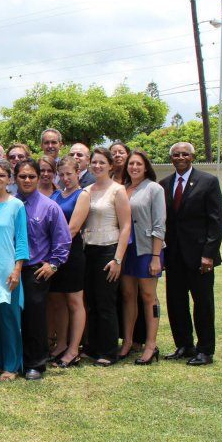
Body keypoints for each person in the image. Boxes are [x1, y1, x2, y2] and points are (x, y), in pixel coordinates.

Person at [161, 142, 222, 366]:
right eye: (176, 154)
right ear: (171, 158)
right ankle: (184, 345)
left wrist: (209, 254)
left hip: (200, 257)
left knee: (203, 304)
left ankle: (205, 350)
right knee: (176, 303)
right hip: (174, 257)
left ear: (192, 157)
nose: (180, 157)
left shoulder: (208, 182)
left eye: (184, 154)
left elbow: (216, 221)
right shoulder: (164, 185)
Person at [14, 160, 70, 380]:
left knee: (34, 318)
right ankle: (14, 360)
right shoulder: (9, 204)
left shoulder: (49, 206)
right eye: (22, 176)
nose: (27, 180)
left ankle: (35, 364)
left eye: (31, 176)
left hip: (35, 270)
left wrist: (53, 264)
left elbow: (63, 239)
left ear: (38, 178)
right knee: (13, 317)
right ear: (15, 178)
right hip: (10, 269)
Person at [81, 147, 131, 367]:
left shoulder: (117, 190)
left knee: (106, 302)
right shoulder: (87, 190)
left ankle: (109, 351)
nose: (97, 166)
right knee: (91, 301)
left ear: (110, 165)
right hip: (88, 249)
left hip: (109, 250)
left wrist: (118, 259)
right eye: (94, 162)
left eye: (102, 162)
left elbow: (126, 226)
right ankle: (92, 346)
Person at [0, 160, 29, 381]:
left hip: (7, 269)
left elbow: (22, 240)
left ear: (9, 179)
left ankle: (12, 365)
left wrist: (17, 269)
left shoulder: (16, 205)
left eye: (2, 175)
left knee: (10, 319)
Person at [120, 149, 165, 365]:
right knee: (128, 296)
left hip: (147, 249)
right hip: (126, 250)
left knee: (148, 297)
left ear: (146, 167)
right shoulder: (123, 188)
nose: (134, 167)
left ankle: (150, 345)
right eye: (131, 164)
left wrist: (156, 257)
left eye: (138, 164)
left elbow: (159, 225)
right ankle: (128, 341)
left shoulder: (154, 189)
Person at [48, 157, 90, 368]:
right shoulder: (56, 195)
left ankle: (73, 349)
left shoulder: (82, 195)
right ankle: (61, 344)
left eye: (69, 174)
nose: (65, 178)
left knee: (74, 301)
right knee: (57, 301)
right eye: (62, 174)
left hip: (71, 254)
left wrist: (54, 248)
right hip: (53, 253)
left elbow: (72, 229)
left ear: (78, 173)